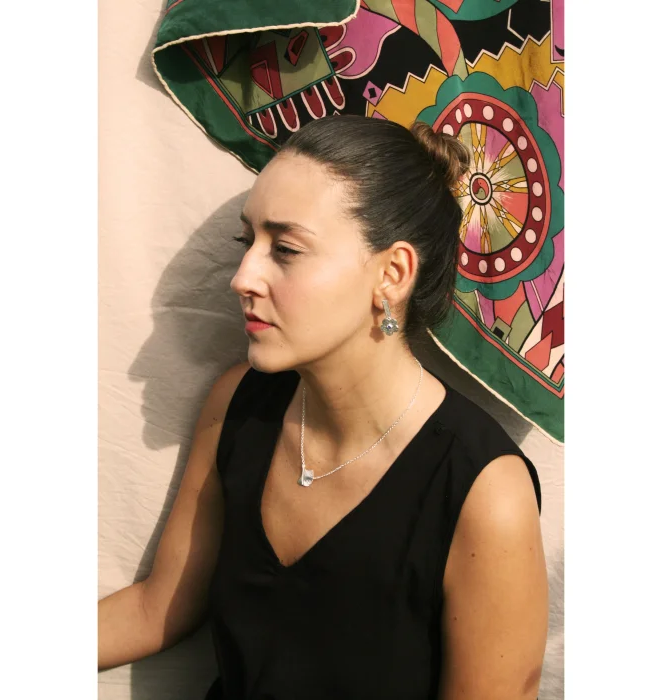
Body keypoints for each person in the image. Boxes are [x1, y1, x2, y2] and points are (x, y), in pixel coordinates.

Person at [98, 115, 549, 699]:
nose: (242, 277)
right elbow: (157, 606)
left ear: (392, 274)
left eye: (285, 249)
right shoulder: (239, 403)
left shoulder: (484, 492)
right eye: (247, 242)